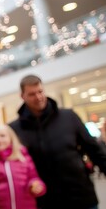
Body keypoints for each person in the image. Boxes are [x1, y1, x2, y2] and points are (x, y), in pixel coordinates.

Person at [9, 74, 106, 209]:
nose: (38, 97)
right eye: (32, 94)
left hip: (81, 196)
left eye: (40, 91)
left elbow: (94, 149)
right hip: (45, 201)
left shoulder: (69, 116)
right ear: (22, 96)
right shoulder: (14, 129)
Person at [0, 124, 46, 209]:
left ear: (11, 138)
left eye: (2, 136)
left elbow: (33, 177)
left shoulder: (23, 158)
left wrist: (37, 186)